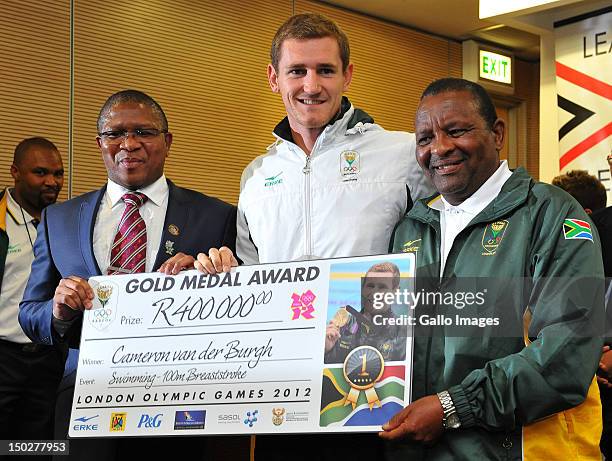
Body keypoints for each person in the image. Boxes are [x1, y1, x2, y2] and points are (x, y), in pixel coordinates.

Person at [192, 13, 434, 460]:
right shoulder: (258, 174)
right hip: (280, 381)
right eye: (297, 71)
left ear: (348, 75)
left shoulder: (402, 153)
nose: (311, 85)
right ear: (273, 78)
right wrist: (220, 273)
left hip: (374, 373)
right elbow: (250, 273)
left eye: (325, 70)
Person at [382, 77, 604, 460]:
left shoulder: (552, 214)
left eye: (457, 130)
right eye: (424, 138)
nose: (440, 148)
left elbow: (568, 352)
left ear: (497, 133)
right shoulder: (410, 228)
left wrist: (454, 407)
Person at [18, 90, 237, 460]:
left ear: (167, 142)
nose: (129, 144)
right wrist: (57, 311)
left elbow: (241, 304)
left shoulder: (215, 216)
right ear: (99, 143)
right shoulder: (60, 220)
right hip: (86, 396)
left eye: (144, 133)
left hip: (181, 401)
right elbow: (29, 311)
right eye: (115, 134)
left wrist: (211, 277)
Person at [0, 138, 65, 453]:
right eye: (41, 173)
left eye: (58, 173)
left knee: (36, 447)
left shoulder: (65, 222)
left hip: (47, 357)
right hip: (4, 356)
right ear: (15, 172)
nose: (52, 182)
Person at [324, 261, 406, 364]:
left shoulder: (403, 332)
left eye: (382, 287)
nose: (374, 293)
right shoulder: (342, 326)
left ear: (396, 292)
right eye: (370, 286)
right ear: (362, 288)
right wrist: (325, 351)